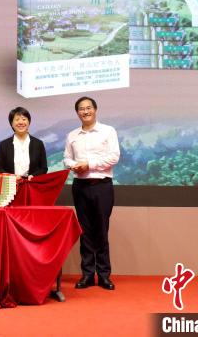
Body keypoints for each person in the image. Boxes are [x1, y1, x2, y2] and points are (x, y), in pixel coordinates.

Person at [64, 96, 120, 291]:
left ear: (95, 110)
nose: (85, 111)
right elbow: (66, 158)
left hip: (102, 185)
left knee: (101, 230)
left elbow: (114, 157)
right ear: (77, 112)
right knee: (85, 231)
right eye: (81, 109)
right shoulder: (72, 135)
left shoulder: (108, 131)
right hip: (80, 186)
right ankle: (87, 274)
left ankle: (104, 275)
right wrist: (74, 165)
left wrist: (89, 165)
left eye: (88, 108)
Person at [0, 106, 47, 179]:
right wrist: (12, 177)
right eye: (17, 119)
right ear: (11, 123)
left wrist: (33, 176)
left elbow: (44, 168)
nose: (21, 122)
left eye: (24, 119)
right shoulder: (4, 144)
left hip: (32, 183)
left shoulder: (38, 144)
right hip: (11, 183)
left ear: (29, 122)